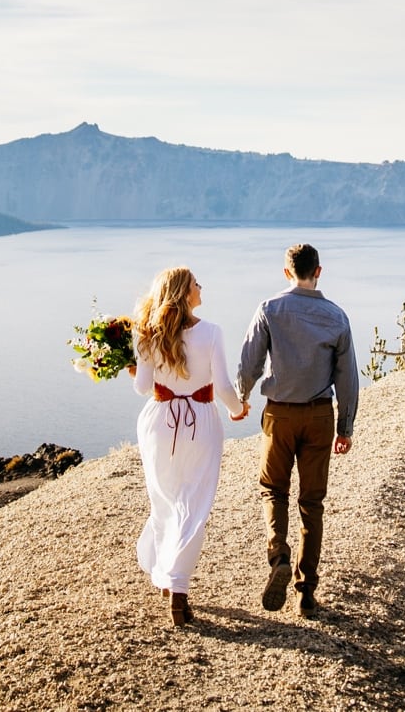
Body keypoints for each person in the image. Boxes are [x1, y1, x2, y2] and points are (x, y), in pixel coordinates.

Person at [235, 243, 358, 619]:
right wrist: (345, 426)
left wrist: (241, 396)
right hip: (320, 417)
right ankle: (306, 592)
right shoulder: (336, 317)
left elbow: (249, 361)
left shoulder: (269, 309)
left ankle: (279, 557)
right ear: (318, 271)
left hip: (279, 417)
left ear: (286, 272)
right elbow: (348, 378)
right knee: (312, 502)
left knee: (273, 490)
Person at [129, 265, 247, 626]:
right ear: (184, 292)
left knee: (165, 501)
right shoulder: (211, 332)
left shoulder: (147, 335)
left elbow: (141, 387)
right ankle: (177, 589)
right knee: (193, 505)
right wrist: (238, 409)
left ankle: (167, 577)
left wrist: (138, 367)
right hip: (200, 421)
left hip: (158, 421)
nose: (201, 287)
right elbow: (225, 387)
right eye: (196, 283)